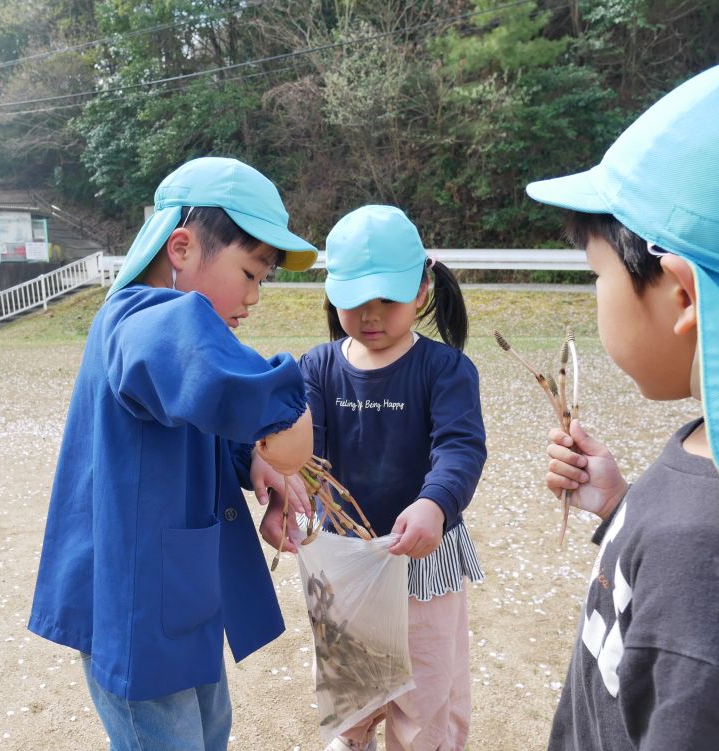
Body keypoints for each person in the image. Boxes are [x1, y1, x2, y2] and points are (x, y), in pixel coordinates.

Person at [28, 156, 320, 751]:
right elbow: (211, 372)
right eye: (250, 272)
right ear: (182, 248)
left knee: (210, 730)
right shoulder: (144, 321)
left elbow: (195, 408)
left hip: (177, 593)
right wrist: (286, 412)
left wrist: (251, 460)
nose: (255, 296)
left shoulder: (160, 327)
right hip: (136, 607)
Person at [528, 64, 719, 750]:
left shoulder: (699, 548)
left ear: (681, 296)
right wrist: (620, 507)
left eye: (597, 275)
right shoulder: (702, 455)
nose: (596, 294)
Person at [263, 205, 487, 751]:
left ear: (422, 289)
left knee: (425, 701)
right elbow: (303, 456)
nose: (371, 313)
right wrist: (284, 496)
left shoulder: (445, 369)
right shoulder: (316, 368)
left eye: (388, 297)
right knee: (351, 701)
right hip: (345, 565)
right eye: (355, 298)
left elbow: (459, 448)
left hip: (423, 560)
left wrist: (435, 504)